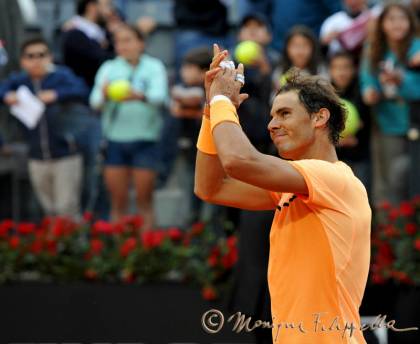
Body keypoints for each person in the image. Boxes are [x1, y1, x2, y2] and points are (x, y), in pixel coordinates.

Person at [195, 44, 371, 343]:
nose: (272, 124)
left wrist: (223, 100)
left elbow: (239, 161)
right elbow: (210, 187)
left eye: (285, 114)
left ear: (319, 118)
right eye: (272, 115)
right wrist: (212, 111)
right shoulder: (291, 190)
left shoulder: (336, 178)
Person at [0, 37, 89, 218]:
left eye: (41, 55)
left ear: (50, 57)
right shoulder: (19, 81)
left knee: (67, 209)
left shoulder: (62, 76)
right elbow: (2, 91)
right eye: (30, 56)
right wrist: (7, 95)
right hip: (36, 156)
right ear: (23, 61)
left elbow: (82, 90)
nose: (36, 60)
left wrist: (56, 94)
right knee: (48, 210)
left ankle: (73, 246)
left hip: (65, 154)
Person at [90, 24, 168, 230]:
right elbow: (94, 101)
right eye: (118, 41)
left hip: (146, 140)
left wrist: (139, 96)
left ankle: (147, 255)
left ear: (141, 43)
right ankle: (119, 256)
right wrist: (105, 94)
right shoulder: (108, 68)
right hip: (115, 141)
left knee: (144, 200)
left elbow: (160, 97)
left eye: (128, 40)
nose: (122, 45)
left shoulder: (154, 66)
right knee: (118, 202)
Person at [360, 2, 420, 204]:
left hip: (415, 123)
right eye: (391, 19)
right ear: (382, 24)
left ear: (410, 22)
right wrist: (370, 92)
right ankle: (392, 230)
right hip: (386, 123)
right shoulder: (373, 48)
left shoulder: (417, 46)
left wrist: (402, 79)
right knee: (391, 180)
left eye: (402, 18)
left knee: (414, 179)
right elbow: (367, 80)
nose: (397, 24)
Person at [329, 52, 371, 196]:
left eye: (346, 67)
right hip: (333, 158)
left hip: (360, 156)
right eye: (337, 68)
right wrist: (336, 141)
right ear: (330, 70)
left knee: (361, 196)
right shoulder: (324, 96)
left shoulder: (363, 93)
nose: (342, 73)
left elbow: (369, 123)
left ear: (354, 69)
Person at [62, 0, 114, 88]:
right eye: (107, 5)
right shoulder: (74, 32)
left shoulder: (102, 30)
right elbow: (100, 59)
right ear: (91, 6)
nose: (111, 11)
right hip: (82, 89)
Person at [273, 25, 326, 92]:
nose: (300, 51)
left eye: (305, 45)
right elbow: (273, 100)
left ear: (313, 48)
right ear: (287, 48)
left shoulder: (321, 71)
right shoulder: (279, 71)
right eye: (295, 45)